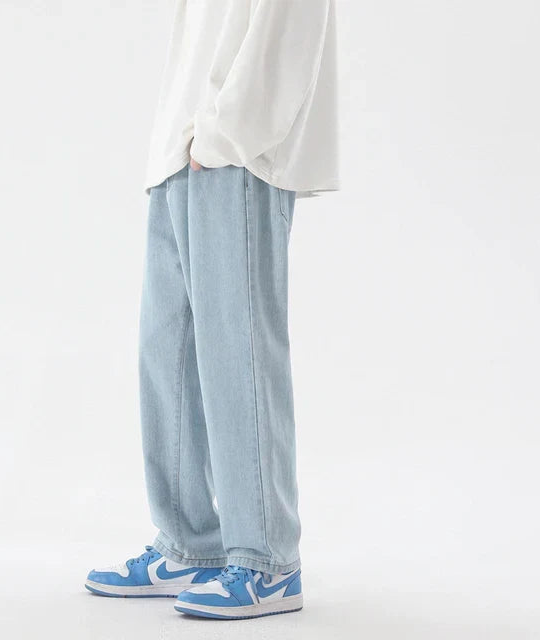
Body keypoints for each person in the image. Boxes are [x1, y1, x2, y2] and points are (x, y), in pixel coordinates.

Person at [85, 0, 338, 620]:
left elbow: (289, 21)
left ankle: (267, 560)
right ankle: (189, 543)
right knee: (165, 353)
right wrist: (187, 139)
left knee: (238, 352)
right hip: (181, 148)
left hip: (236, 151)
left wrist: (228, 133)